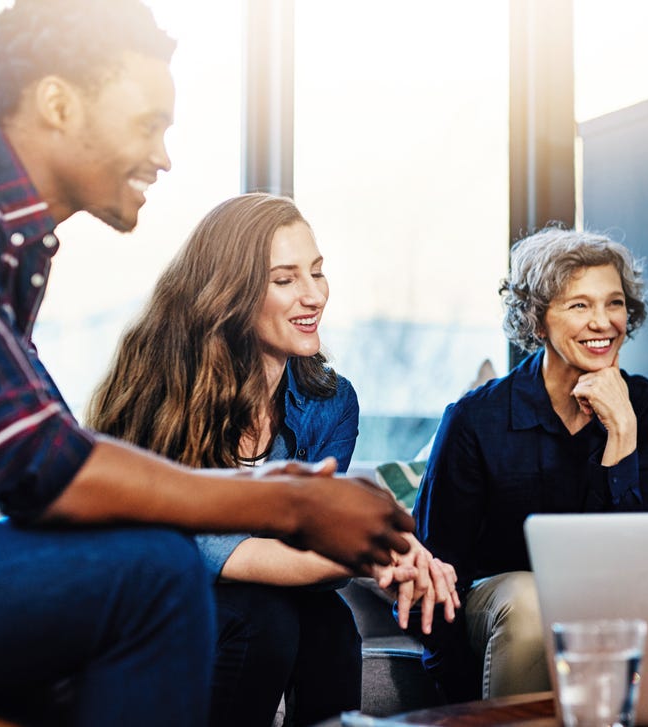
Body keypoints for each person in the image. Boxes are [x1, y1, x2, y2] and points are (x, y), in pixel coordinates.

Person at [0, 2, 416, 724]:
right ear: (58, 104)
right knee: (155, 573)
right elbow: (50, 469)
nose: (163, 155)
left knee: (160, 557)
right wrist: (286, 498)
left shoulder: (11, 249)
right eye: (146, 124)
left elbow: (45, 466)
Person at [87, 192, 460, 727]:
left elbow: (315, 544)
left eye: (317, 272)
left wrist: (384, 548)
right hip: (160, 592)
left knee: (329, 620)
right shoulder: (162, 383)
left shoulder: (332, 401)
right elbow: (210, 551)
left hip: (274, 601)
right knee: (265, 619)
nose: (313, 296)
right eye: (285, 280)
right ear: (230, 291)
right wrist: (378, 553)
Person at [412, 227, 648, 701]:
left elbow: (624, 561)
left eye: (614, 303)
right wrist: (457, 704)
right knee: (528, 596)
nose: (603, 322)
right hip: (496, 607)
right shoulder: (475, 419)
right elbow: (437, 575)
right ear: (538, 322)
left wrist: (622, 433)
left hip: (605, 601)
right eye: (579, 305)